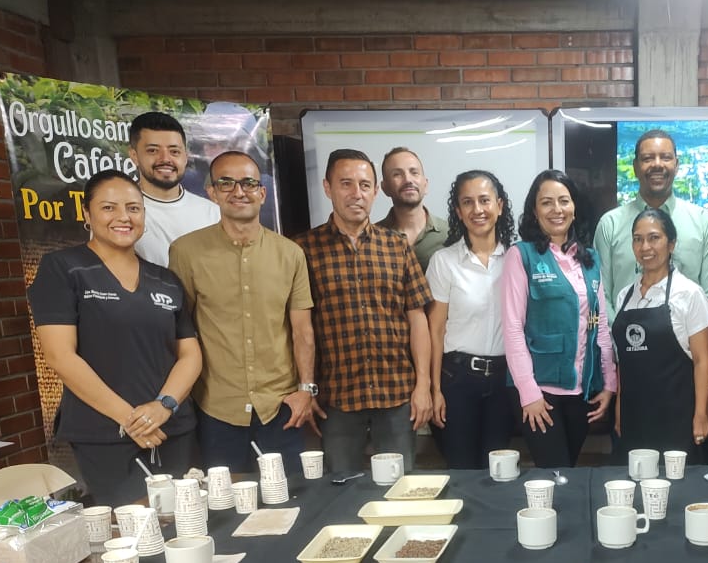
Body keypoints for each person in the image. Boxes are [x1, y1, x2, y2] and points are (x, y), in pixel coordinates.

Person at [29, 170, 200, 504]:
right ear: (87, 214)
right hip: (105, 434)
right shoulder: (63, 268)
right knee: (133, 535)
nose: (124, 217)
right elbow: (60, 356)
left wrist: (163, 406)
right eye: (109, 208)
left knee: (186, 524)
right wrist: (131, 418)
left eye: (134, 208)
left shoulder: (165, 279)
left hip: (172, 429)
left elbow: (190, 354)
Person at [169, 151, 318, 473]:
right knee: (226, 507)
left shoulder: (290, 254)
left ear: (262, 193)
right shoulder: (186, 252)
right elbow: (182, 329)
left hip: (280, 407)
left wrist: (305, 390)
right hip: (217, 408)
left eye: (249, 183)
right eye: (227, 183)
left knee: (290, 499)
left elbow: (302, 330)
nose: (239, 192)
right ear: (212, 192)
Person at [295, 149, 433, 473]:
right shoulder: (303, 249)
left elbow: (418, 320)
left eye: (365, 185)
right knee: (342, 490)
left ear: (375, 191)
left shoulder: (396, 246)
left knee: (400, 489)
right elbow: (300, 328)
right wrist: (307, 387)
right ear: (327, 187)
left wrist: (423, 385)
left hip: (397, 395)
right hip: (337, 399)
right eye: (346, 184)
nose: (356, 194)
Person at [502, 169, 617, 469]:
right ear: (534, 210)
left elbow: (600, 326)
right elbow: (513, 329)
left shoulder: (589, 258)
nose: (557, 210)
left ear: (574, 207)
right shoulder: (521, 256)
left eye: (563, 201)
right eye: (547, 202)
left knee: (569, 472)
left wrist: (609, 384)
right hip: (541, 391)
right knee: (555, 473)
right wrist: (528, 393)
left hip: (583, 391)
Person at [426, 170, 515, 469]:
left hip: (504, 382)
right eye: (468, 202)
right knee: (461, 470)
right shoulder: (444, 261)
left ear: (499, 206)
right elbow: (435, 330)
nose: (477, 210)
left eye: (484, 200)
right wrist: (434, 390)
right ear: (458, 212)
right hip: (457, 380)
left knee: (498, 471)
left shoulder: (518, 259)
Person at [611, 207, 708, 464]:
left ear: (671, 244)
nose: (645, 246)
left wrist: (701, 414)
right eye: (638, 238)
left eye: (654, 238)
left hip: (677, 416)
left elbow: (702, 361)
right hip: (635, 415)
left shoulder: (689, 293)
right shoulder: (625, 296)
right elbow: (623, 363)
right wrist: (619, 410)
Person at [594, 128, 708, 308]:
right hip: (623, 333)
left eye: (665, 157)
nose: (657, 164)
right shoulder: (610, 225)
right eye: (647, 158)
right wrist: (623, 333)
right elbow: (601, 295)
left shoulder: (703, 222)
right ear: (635, 167)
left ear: (676, 165)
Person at [127, 111, 219, 267]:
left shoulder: (213, 213)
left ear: (186, 157)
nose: (165, 159)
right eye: (153, 151)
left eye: (174, 151)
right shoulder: (118, 215)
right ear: (134, 156)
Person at [377, 146, 448, 271]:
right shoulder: (372, 238)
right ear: (384, 187)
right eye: (397, 174)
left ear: (425, 184)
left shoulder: (450, 234)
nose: (408, 180)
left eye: (414, 172)